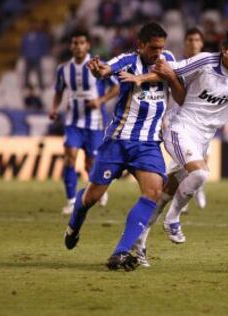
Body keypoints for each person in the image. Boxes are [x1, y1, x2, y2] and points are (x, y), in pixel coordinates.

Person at [122, 26, 228, 265]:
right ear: (223, 49)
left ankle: (139, 243)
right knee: (200, 173)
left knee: (166, 193)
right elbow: (166, 68)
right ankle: (172, 220)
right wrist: (141, 77)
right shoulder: (204, 61)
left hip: (204, 139)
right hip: (180, 127)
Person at [63, 23, 186, 272]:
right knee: (92, 197)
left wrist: (169, 76)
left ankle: (120, 252)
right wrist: (100, 70)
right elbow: (108, 69)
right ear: (140, 45)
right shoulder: (128, 60)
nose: (158, 53)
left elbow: (181, 96)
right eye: (153, 48)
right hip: (118, 141)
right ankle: (75, 221)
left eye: (161, 47)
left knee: (152, 192)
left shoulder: (169, 60)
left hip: (148, 144)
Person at [49, 31, 119, 215]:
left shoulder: (98, 66)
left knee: (90, 164)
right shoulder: (63, 69)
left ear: (88, 45)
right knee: (69, 157)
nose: (78, 46)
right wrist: (54, 108)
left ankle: (99, 190)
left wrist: (101, 101)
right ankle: (71, 201)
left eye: (81, 43)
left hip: (95, 123)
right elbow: (58, 91)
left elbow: (116, 87)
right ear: (71, 46)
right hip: (73, 122)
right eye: (75, 43)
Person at [165, 27, 207, 215]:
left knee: (199, 160)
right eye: (189, 40)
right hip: (178, 122)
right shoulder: (178, 66)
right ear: (185, 43)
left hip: (200, 124)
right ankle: (188, 194)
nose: (193, 43)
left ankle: (195, 188)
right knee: (181, 166)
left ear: (202, 43)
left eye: (197, 40)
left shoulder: (209, 69)